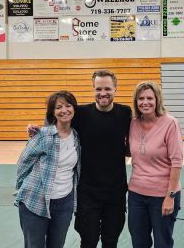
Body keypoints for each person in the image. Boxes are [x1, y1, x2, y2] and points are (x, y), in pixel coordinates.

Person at [28, 70, 132, 248]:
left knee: (111, 241)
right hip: (87, 193)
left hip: (115, 193)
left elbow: (133, 141)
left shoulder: (125, 113)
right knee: (88, 241)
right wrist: (39, 130)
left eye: (107, 88)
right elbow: (56, 120)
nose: (103, 93)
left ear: (116, 89)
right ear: (93, 89)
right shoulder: (82, 113)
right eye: (98, 88)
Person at [14, 90, 81, 248]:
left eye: (68, 105)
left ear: (74, 108)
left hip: (65, 203)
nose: (64, 110)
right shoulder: (43, 135)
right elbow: (23, 163)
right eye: (58, 107)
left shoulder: (78, 137)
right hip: (35, 201)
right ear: (52, 112)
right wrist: (23, 187)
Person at [128, 81, 183, 248]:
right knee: (139, 243)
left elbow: (177, 162)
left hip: (162, 196)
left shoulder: (170, 124)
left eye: (150, 98)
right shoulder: (133, 124)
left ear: (157, 99)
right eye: (141, 98)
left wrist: (170, 197)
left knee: (162, 243)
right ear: (136, 102)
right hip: (136, 195)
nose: (145, 102)